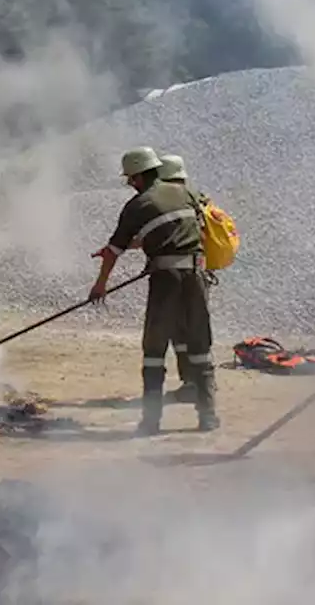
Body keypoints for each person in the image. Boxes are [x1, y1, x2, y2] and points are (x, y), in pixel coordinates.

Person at [89, 146, 218, 434]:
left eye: (130, 179)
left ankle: (151, 421)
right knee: (200, 344)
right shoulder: (186, 193)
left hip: (166, 280)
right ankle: (208, 415)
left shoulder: (138, 205)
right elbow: (175, 228)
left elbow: (113, 252)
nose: (130, 184)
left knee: (154, 349)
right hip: (197, 275)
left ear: (136, 177)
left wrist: (100, 286)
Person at [154, 154, 211, 404]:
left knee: (181, 332)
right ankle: (199, 385)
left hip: (179, 276)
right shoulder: (196, 197)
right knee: (194, 331)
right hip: (199, 273)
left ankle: (192, 385)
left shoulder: (174, 200)